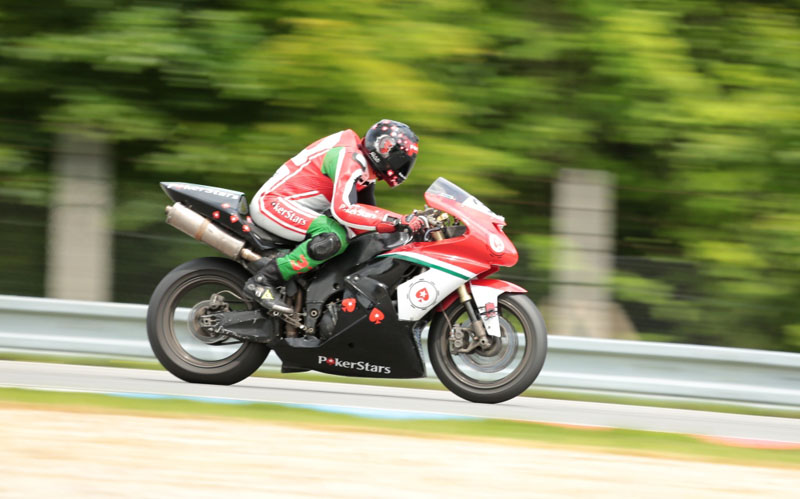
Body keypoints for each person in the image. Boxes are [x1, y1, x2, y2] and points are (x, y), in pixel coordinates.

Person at [245, 119, 424, 313]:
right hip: (272, 203)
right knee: (333, 237)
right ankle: (263, 281)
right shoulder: (348, 157)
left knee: (367, 237)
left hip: (293, 206)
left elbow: (366, 213)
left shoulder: (363, 167)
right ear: (384, 149)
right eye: (401, 159)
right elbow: (344, 210)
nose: (403, 166)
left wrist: (403, 223)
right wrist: (397, 220)